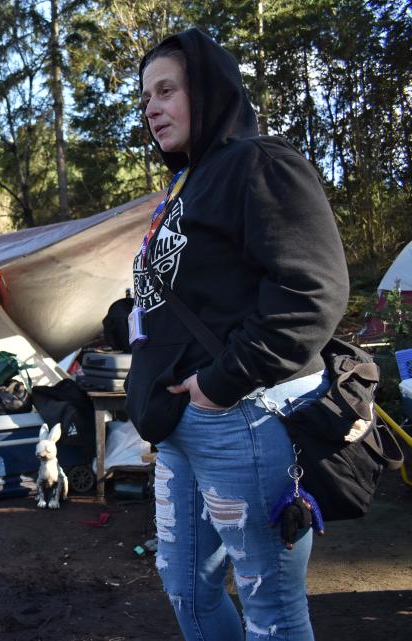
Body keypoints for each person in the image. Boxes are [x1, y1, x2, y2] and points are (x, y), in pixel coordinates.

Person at [124, 28, 349, 641]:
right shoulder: (180, 187)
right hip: (177, 429)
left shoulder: (259, 164)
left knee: (270, 608)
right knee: (186, 588)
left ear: (210, 90)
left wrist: (219, 384)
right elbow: (180, 294)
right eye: (145, 96)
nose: (151, 108)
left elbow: (311, 293)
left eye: (167, 90)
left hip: (242, 419)